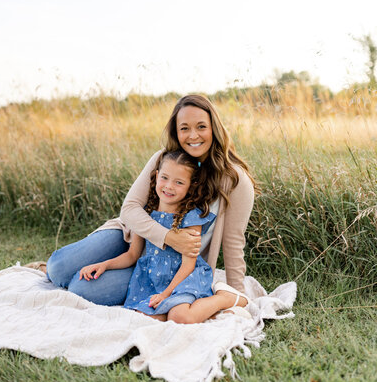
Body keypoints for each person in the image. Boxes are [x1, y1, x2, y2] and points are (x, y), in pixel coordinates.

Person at [44, 94, 255, 306]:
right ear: (176, 132)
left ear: (214, 128)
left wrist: (237, 294)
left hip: (163, 267)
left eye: (201, 126)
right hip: (130, 238)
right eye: (184, 128)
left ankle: (109, 271)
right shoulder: (164, 159)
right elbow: (130, 209)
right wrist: (169, 237)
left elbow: (233, 242)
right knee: (57, 269)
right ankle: (74, 265)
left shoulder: (235, 180)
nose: (193, 135)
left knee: (79, 288)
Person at [79, 150, 250, 323]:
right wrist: (104, 265)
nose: (169, 186)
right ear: (156, 175)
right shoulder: (146, 214)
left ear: (191, 186)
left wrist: (166, 294)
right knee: (146, 318)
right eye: (165, 178)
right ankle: (211, 313)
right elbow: (132, 255)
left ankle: (224, 298)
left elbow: (188, 265)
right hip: (153, 280)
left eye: (179, 182)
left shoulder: (191, 218)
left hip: (184, 279)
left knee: (179, 316)